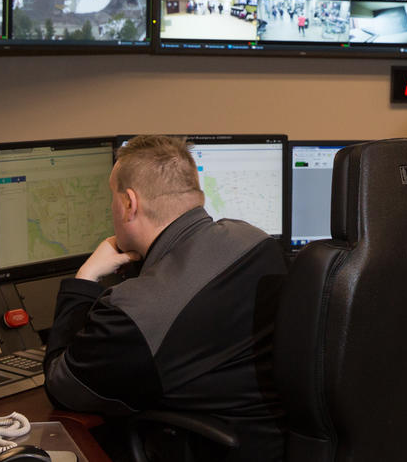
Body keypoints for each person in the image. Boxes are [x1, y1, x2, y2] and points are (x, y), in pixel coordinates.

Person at [44, 134, 287, 461]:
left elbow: (64, 386)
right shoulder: (255, 241)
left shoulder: (136, 311)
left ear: (129, 203)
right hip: (269, 441)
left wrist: (85, 279)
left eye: (112, 198)